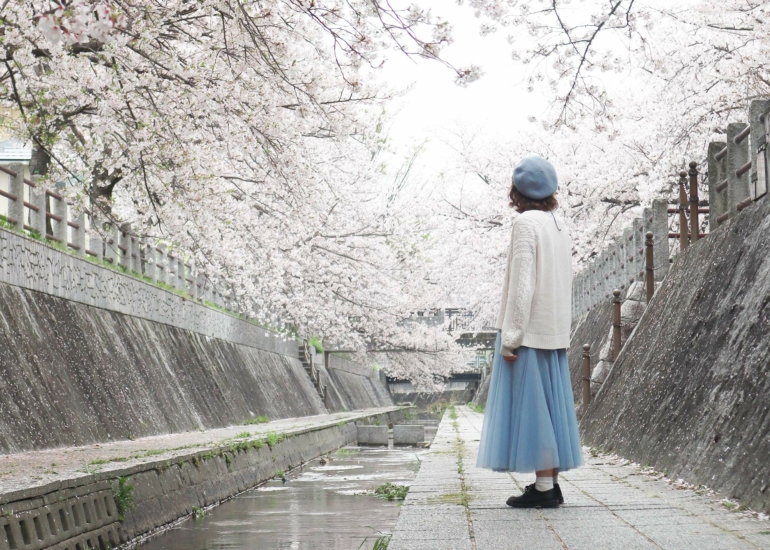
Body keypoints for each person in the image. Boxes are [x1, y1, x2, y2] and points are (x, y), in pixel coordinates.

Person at [476, 154, 583, 508]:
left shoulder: (525, 225)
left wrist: (511, 337)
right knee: (550, 410)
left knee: (534, 412)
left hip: (530, 332)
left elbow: (523, 284)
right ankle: (547, 485)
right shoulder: (558, 225)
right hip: (553, 330)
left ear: (517, 192)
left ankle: (544, 490)